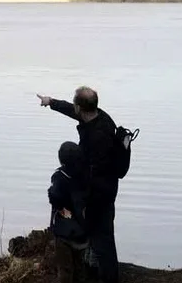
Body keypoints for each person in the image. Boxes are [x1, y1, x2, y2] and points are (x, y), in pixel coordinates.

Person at [38, 86, 120, 283]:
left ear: (80, 107)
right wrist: (52, 102)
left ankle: (107, 277)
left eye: (75, 103)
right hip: (105, 189)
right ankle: (95, 270)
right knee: (99, 235)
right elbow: (72, 111)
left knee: (103, 238)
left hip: (100, 193)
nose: (73, 107)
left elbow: (91, 171)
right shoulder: (100, 116)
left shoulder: (98, 137)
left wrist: (71, 183)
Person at [49, 140, 95, 283]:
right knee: (80, 269)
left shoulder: (61, 176)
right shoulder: (86, 175)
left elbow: (55, 196)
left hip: (64, 234)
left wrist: (57, 204)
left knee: (65, 271)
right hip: (82, 232)